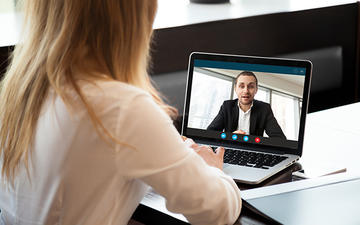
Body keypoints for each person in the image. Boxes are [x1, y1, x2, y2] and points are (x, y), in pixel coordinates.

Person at [0, 1, 241, 225]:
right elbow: (216, 211)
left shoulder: (20, 92)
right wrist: (210, 169)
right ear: (133, 19)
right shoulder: (122, 108)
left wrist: (168, 153)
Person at [207, 71, 286, 139]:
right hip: (229, 149)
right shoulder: (227, 106)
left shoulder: (264, 109)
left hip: (254, 152)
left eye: (251, 87)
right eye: (241, 86)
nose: (246, 91)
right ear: (235, 88)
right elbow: (210, 133)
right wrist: (230, 137)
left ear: (256, 89)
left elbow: (280, 138)